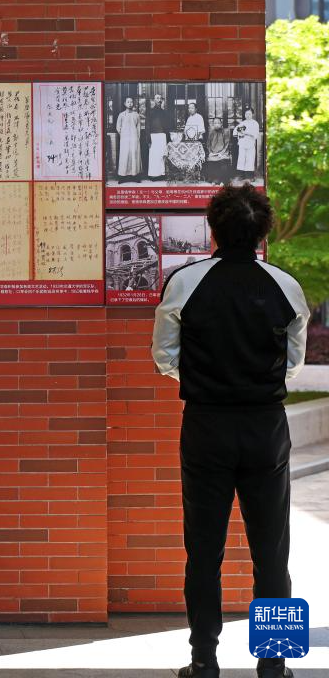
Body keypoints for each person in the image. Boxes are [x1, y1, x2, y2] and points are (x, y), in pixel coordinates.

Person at [152, 185, 309, 678]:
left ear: (212, 228)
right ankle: (273, 662)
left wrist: (203, 383)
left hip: (206, 425)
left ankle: (203, 661)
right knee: (273, 551)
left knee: (203, 550)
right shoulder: (286, 285)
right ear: (263, 231)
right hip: (266, 427)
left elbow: (164, 357)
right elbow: (293, 364)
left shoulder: (184, 282)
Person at [116, 97, 142, 181]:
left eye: (131, 102)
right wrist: (123, 135)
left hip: (134, 138)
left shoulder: (136, 115)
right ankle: (123, 176)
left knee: (134, 155)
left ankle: (135, 175)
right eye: (128, 102)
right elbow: (118, 127)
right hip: (125, 139)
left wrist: (137, 137)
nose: (130, 103)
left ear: (133, 103)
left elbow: (138, 128)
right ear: (125, 103)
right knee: (124, 156)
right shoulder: (121, 115)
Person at [146, 93, 171, 180]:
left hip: (162, 136)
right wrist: (148, 139)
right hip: (153, 136)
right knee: (154, 156)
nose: (159, 100)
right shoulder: (150, 112)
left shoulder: (164, 112)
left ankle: (161, 174)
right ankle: (153, 175)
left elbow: (167, 126)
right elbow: (147, 126)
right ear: (154, 100)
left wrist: (168, 138)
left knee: (162, 156)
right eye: (157, 98)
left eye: (160, 98)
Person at [235, 107, 261, 181]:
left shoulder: (255, 123)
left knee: (250, 159)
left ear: (252, 114)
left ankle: (249, 176)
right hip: (242, 143)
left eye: (249, 114)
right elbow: (237, 132)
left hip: (250, 143)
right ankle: (241, 175)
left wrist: (247, 133)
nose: (247, 115)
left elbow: (255, 135)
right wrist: (240, 136)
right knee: (241, 158)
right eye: (246, 114)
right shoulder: (242, 123)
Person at [205, 117, 232, 184]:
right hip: (213, 152)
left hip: (223, 152)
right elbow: (208, 144)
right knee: (210, 161)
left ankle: (223, 180)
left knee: (223, 161)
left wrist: (221, 153)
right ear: (213, 124)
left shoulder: (225, 132)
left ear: (221, 124)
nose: (217, 124)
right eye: (215, 123)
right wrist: (210, 152)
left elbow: (227, 144)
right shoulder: (211, 132)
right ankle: (215, 179)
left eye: (218, 123)